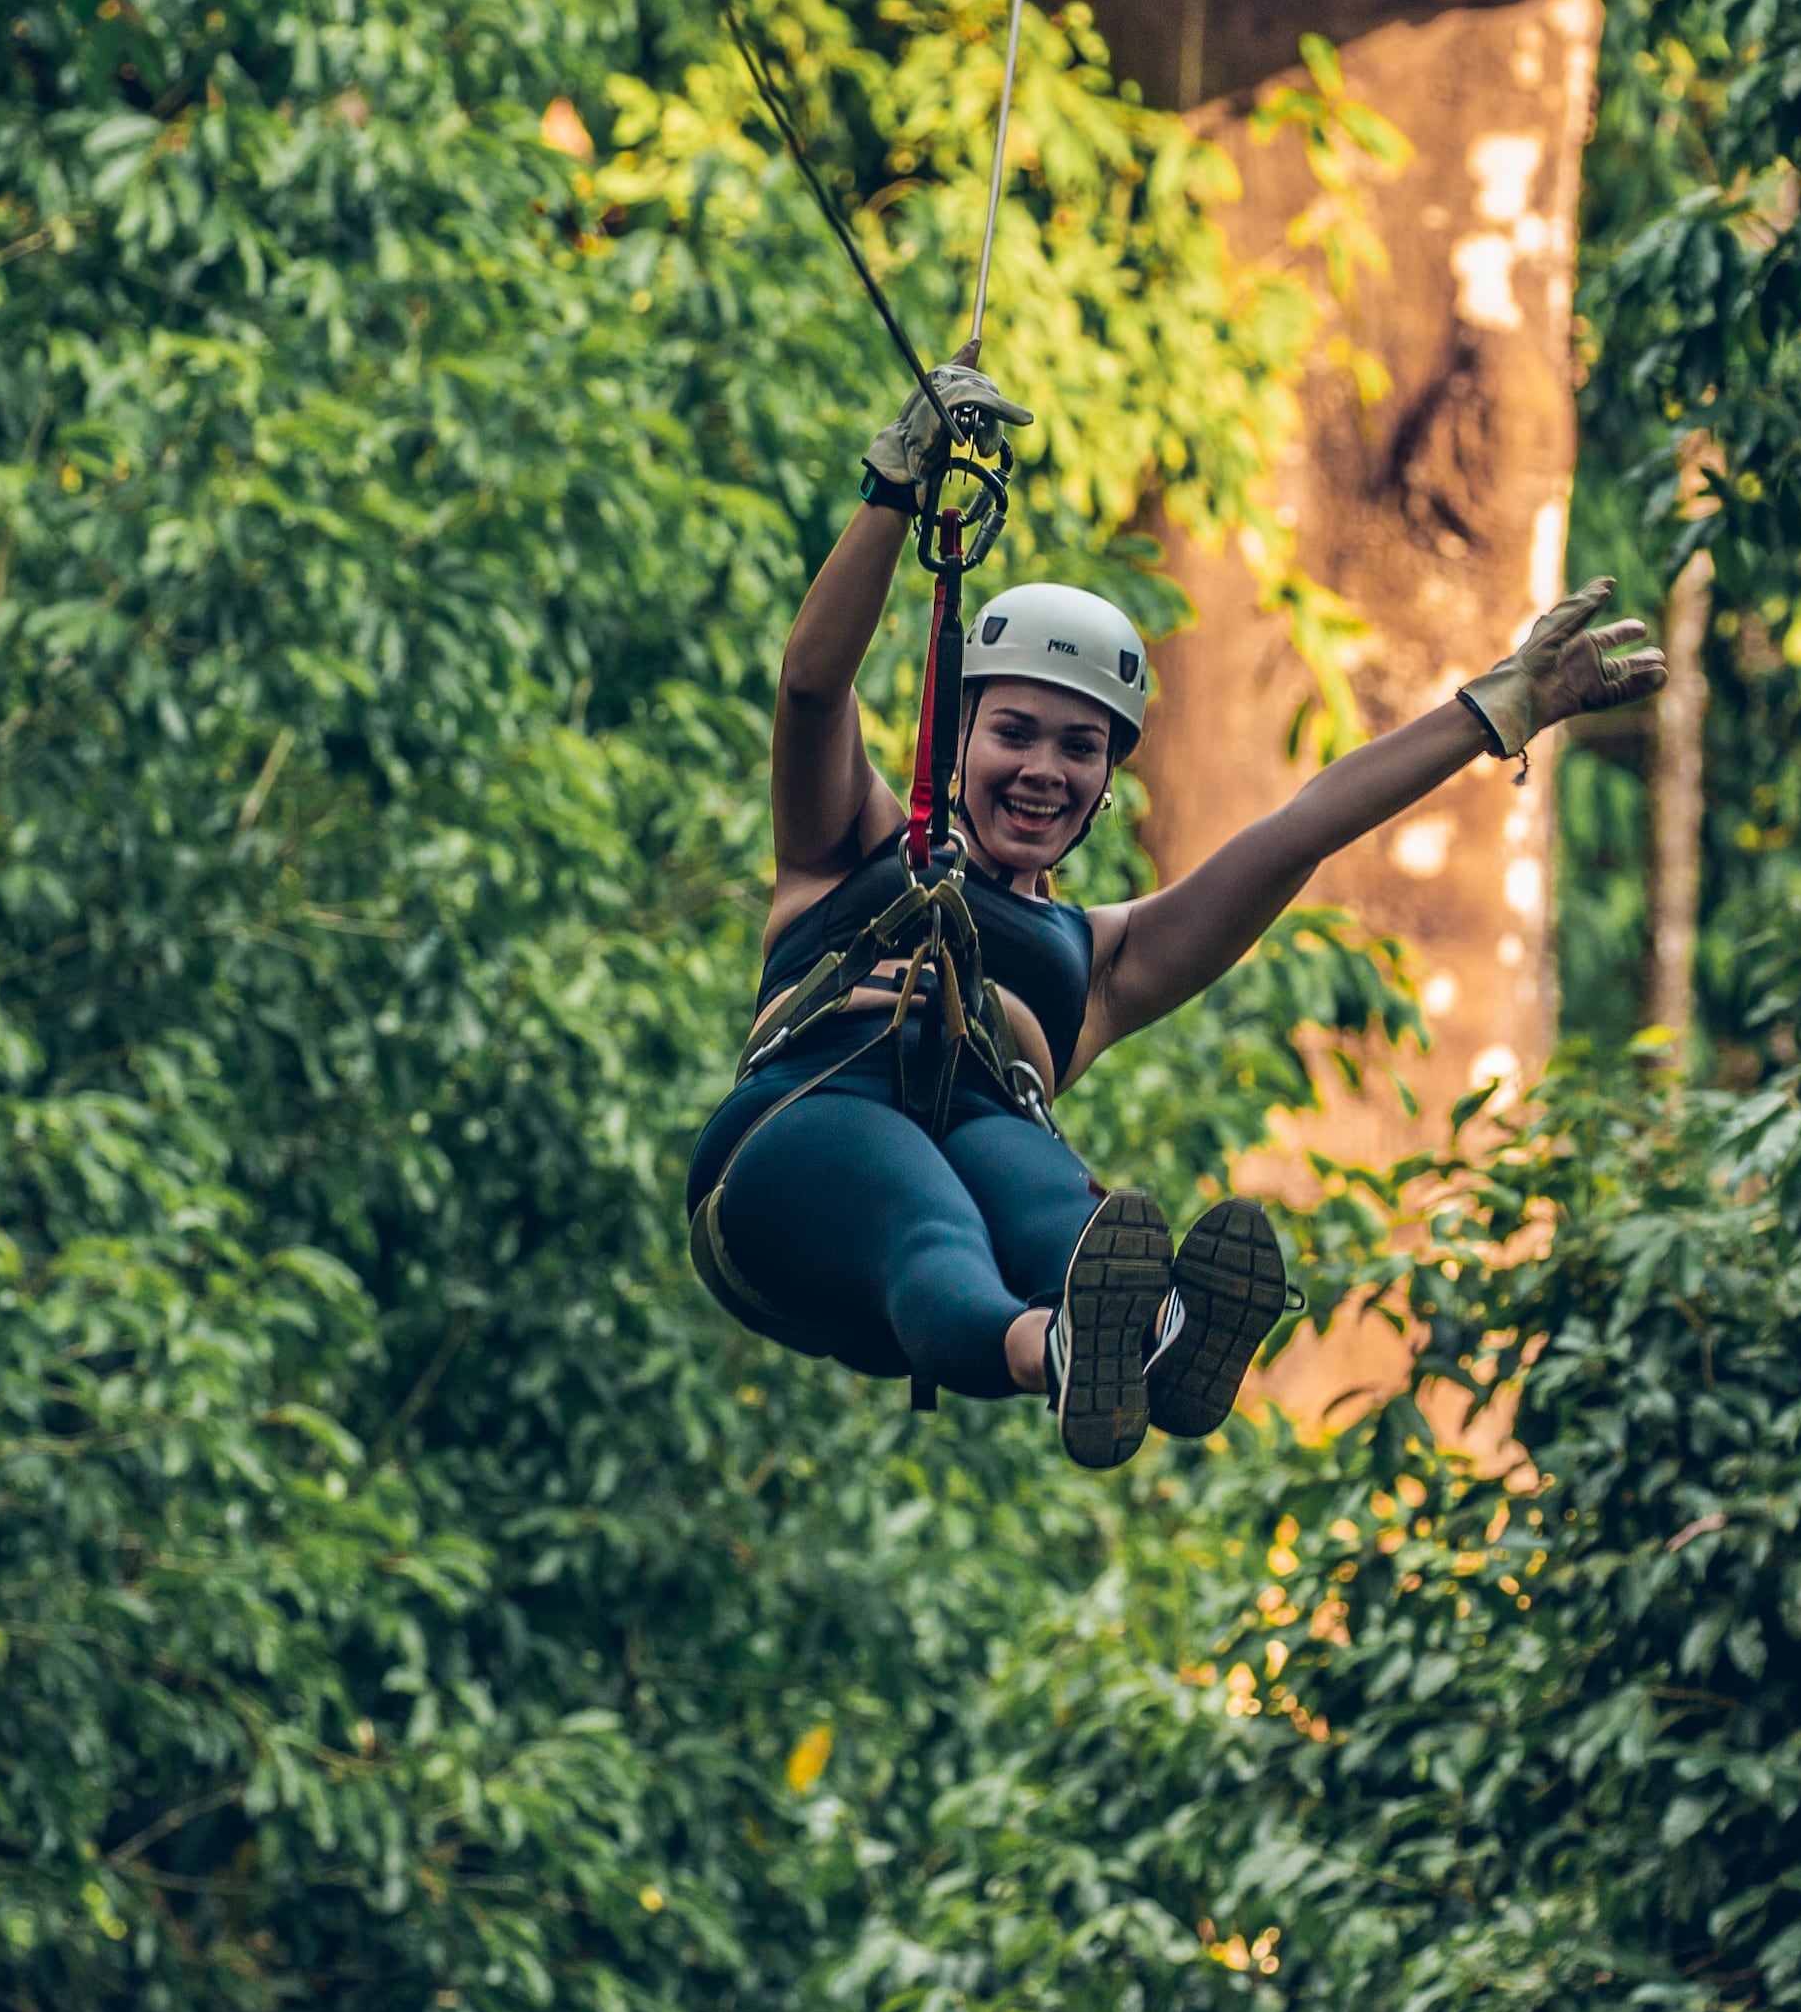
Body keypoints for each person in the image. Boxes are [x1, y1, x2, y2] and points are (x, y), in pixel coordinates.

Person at [686, 361, 1669, 1464]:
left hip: (970, 1166)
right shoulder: (848, 844)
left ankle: (1144, 1334)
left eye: (1078, 746)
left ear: (1108, 782)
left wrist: (1491, 711)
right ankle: (1049, 1351)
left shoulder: (1096, 960)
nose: (1042, 770)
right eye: (1013, 732)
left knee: (1055, 1202)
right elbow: (813, 688)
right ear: (953, 739)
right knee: (926, 1209)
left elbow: (1296, 832)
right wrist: (890, 493)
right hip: (792, 1149)